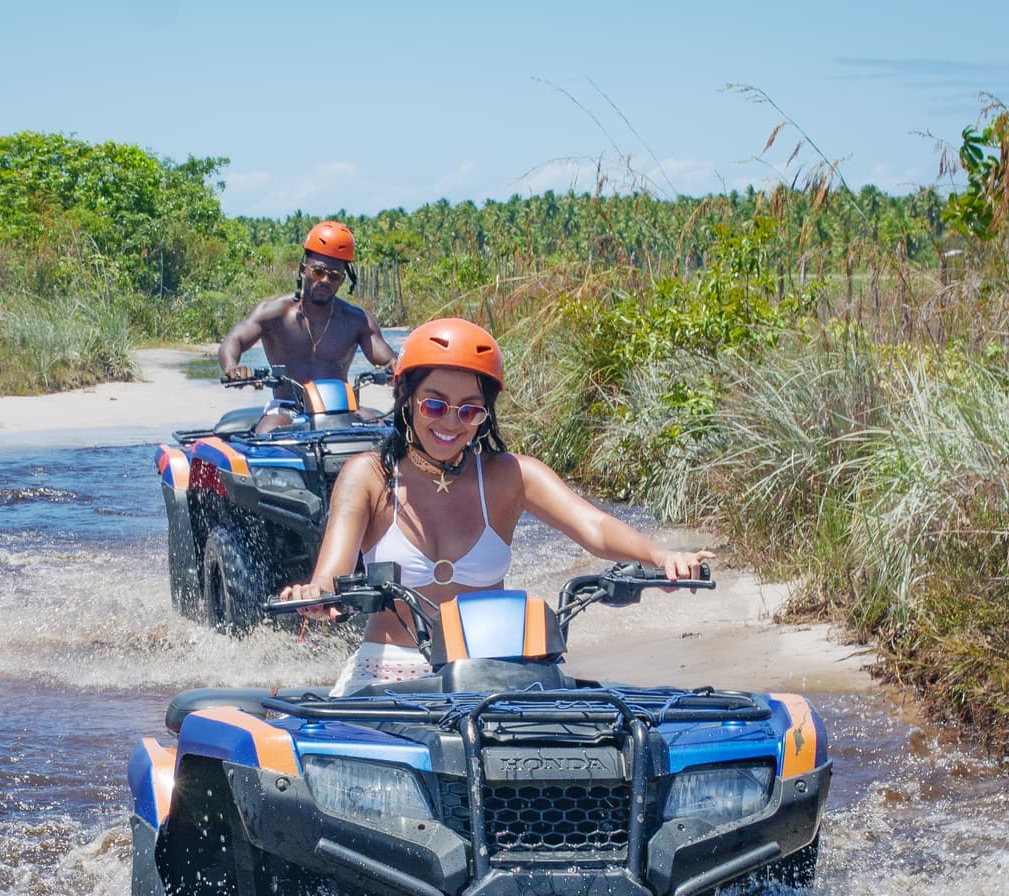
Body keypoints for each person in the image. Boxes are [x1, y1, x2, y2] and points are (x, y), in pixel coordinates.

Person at [276, 317, 716, 696]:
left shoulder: (511, 476)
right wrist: (315, 594)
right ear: (406, 398)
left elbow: (595, 528)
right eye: (435, 404)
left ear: (486, 414)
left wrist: (662, 557)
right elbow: (331, 573)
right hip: (389, 670)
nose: (451, 422)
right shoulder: (369, 475)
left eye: (470, 411)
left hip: (497, 673)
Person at [218, 221, 396, 417]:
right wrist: (232, 367)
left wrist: (396, 368)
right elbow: (234, 340)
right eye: (318, 272)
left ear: (342, 280)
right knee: (269, 430)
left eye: (334, 276)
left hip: (341, 408)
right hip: (287, 408)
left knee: (379, 427)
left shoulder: (357, 321)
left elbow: (389, 359)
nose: (325, 281)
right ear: (303, 270)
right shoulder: (274, 314)